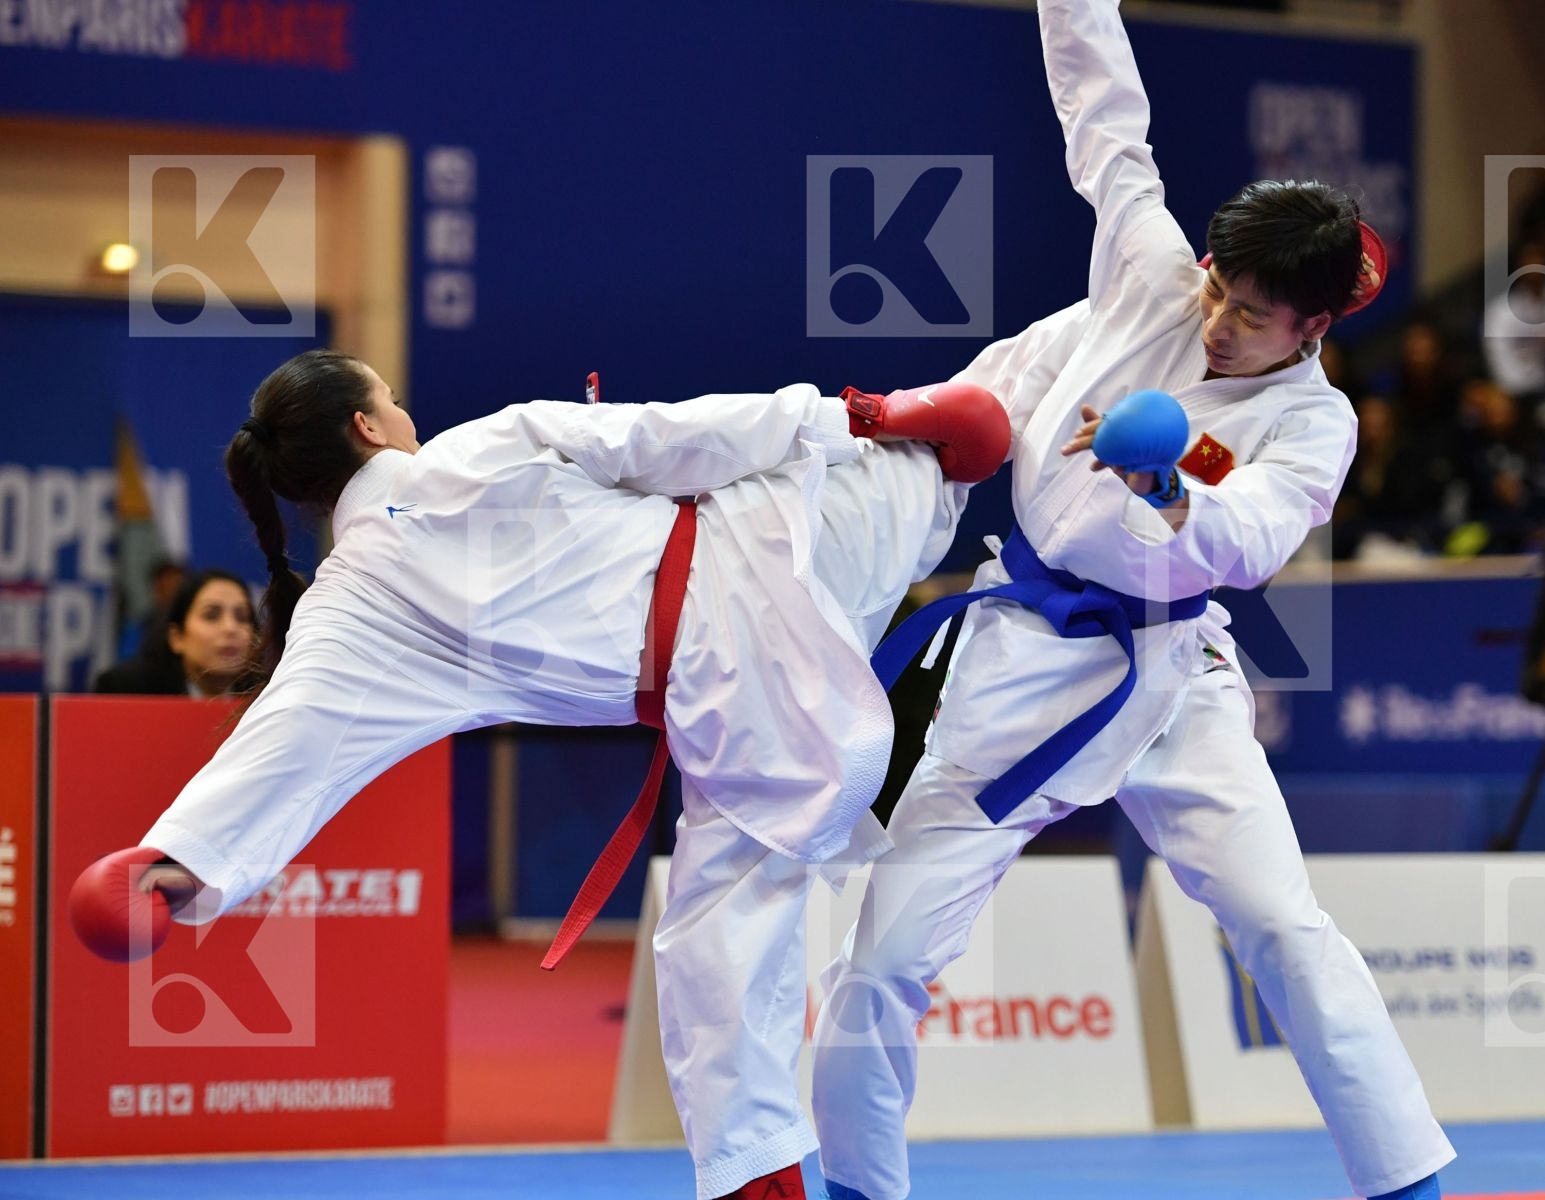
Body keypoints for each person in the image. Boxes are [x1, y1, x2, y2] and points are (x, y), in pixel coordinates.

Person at [68, 349, 1010, 1200]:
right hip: (783, 563)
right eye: (390, 398)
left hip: (737, 707)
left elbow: (287, 744)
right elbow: (670, 436)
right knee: (979, 420)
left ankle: (755, 1177)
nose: (404, 413)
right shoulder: (473, 453)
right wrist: (860, 415)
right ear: (366, 426)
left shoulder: (352, 607)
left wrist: (174, 860)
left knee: (713, 949)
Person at [808, 3, 1453, 1199]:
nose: (1217, 320)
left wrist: (1166, 476)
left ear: (1314, 327)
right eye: (1219, 289)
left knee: (1284, 928)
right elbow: (1106, 116)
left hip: (1175, 677)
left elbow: (1249, 539)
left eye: (1251, 314)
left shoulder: (1314, 423)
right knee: (885, 953)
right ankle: (857, 1187)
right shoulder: (1154, 278)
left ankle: (1408, 1183)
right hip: (1020, 657)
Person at [94, 568, 255, 697]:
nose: (230, 628)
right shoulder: (127, 690)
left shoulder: (264, 695)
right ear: (177, 637)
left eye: (242, 617)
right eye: (211, 616)